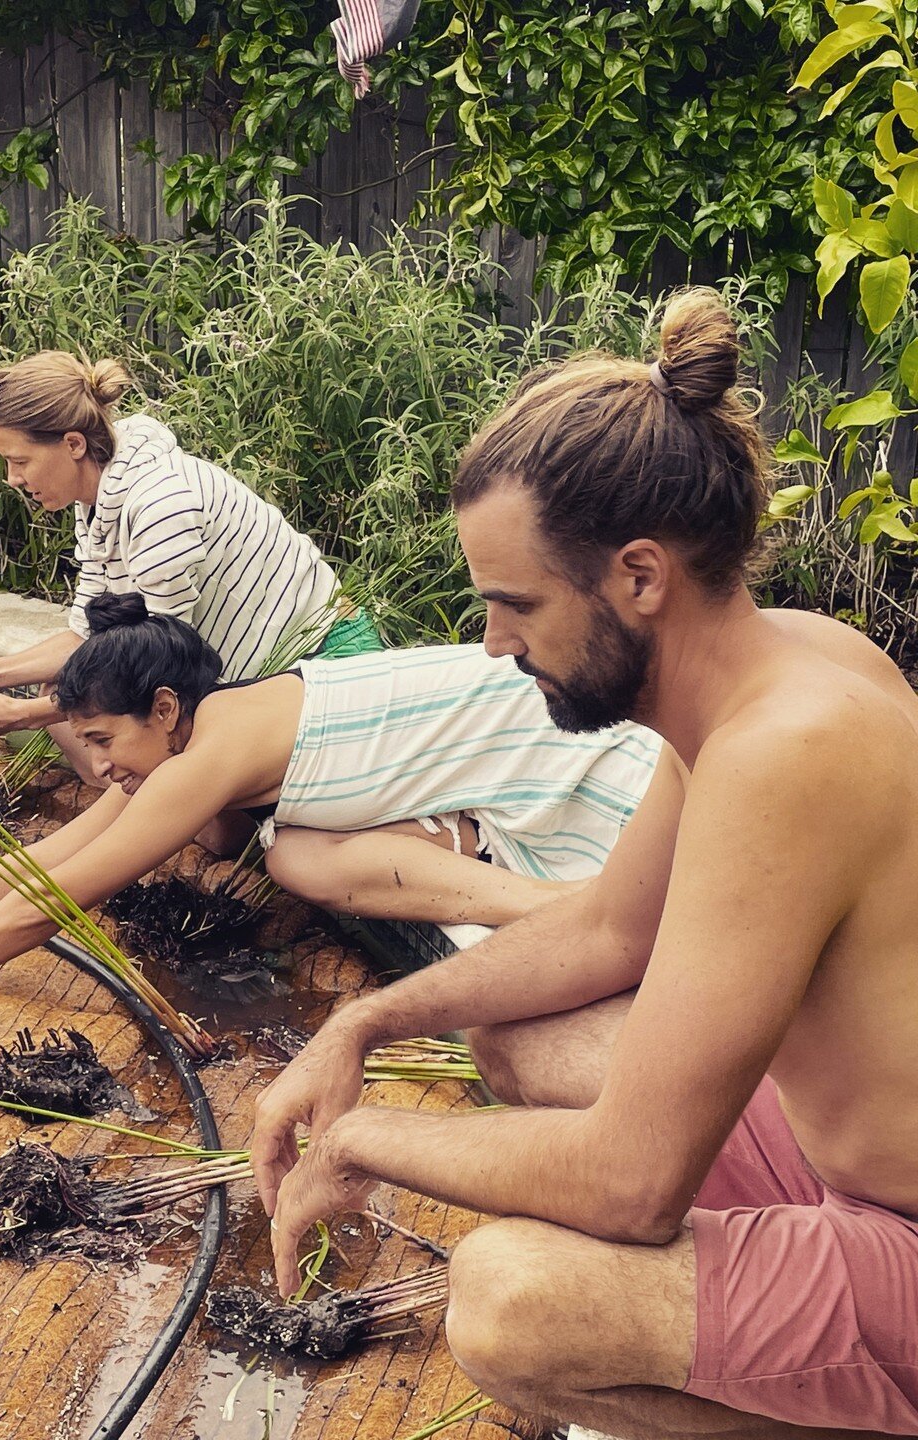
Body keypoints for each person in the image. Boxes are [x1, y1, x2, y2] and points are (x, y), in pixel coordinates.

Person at [251, 291, 918, 1438]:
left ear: (639, 576)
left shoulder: (788, 755)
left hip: (903, 1236)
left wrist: (364, 1140)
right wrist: (357, 1030)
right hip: (843, 1155)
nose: (494, 645)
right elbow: (611, 928)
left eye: (515, 605)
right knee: (518, 1031)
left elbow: (631, 1182)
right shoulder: (790, 660)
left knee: (511, 1302)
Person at [0, 592, 661, 1010]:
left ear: (166, 709)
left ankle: (573, 904)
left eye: (103, 741)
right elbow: (43, 861)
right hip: (490, 767)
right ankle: (552, 902)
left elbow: (55, 904)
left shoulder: (205, 758)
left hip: (565, 744)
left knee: (291, 850)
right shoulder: (204, 736)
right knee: (294, 854)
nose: (98, 769)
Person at [0, 352, 382, 782]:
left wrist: (20, 715)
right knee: (66, 692)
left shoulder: (160, 506)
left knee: (169, 784)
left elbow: (162, 665)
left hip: (321, 665)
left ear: (73, 444)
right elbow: (86, 636)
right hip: (234, 672)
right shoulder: (98, 502)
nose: (13, 478)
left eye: (19, 460)